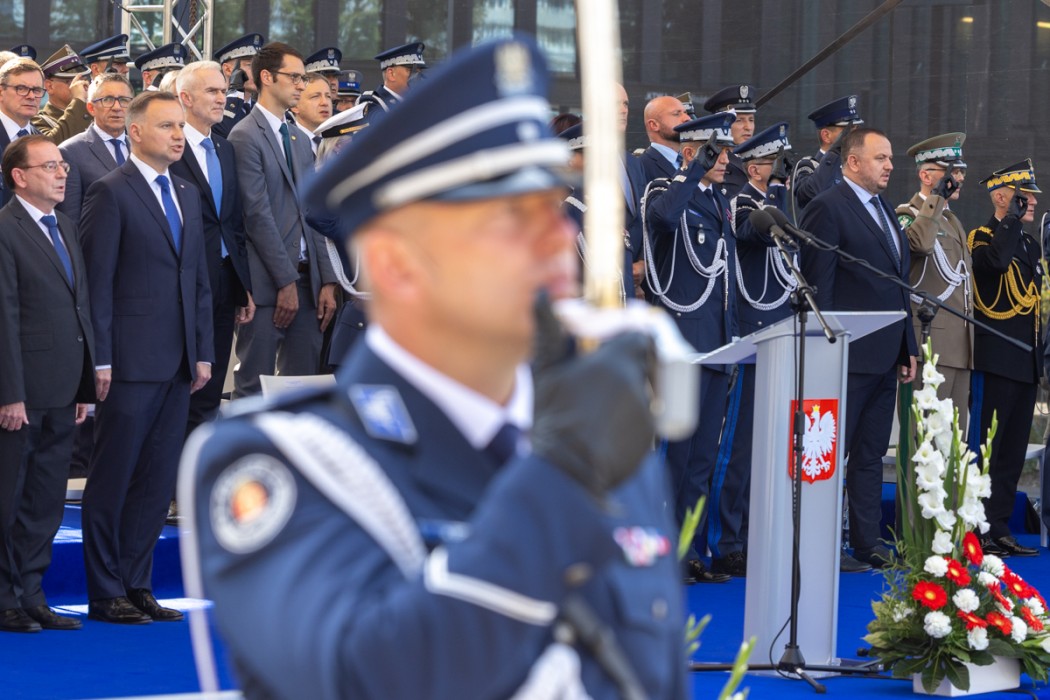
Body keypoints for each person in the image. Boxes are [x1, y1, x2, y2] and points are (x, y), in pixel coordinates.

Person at [182, 36, 687, 699]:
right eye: (510, 218)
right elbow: (360, 678)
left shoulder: (599, 435)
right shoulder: (288, 462)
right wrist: (561, 473)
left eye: (554, 205)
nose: (558, 236)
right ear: (396, 265)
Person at [79, 90, 213, 624]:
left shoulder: (187, 192)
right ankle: (105, 589)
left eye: (180, 126)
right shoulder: (109, 191)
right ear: (135, 132)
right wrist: (100, 359)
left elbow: (198, 280)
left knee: (157, 481)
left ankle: (137, 584)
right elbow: (96, 284)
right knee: (114, 476)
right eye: (166, 126)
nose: (179, 135)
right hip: (128, 362)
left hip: (179, 361)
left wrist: (203, 352)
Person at [799, 127, 918, 569]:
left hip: (885, 355)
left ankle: (867, 543)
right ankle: (822, 544)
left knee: (869, 455)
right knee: (830, 454)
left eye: (890, 158)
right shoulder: (828, 207)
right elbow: (819, 286)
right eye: (880, 158)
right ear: (852, 162)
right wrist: (826, 348)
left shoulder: (884, 208)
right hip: (845, 356)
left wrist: (907, 345)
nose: (890, 166)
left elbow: (898, 285)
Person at [0, 135, 94, 632]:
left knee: (45, 499)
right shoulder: (5, 230)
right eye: (50, 167)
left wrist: (83, 385)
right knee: (9, 497)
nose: (62, 174)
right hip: (21, 394)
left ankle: (31, 593)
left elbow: (80, 309)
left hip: (62, 387)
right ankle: (4, 598)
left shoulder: (65, 225)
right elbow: (4, 317)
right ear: (19, 176)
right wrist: (9, 392)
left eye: (63, 166)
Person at [641, 113, 738, 584]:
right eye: (717, 152)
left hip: (716, 343)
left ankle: (690, 551)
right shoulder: (664, 189)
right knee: (676, 458)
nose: (726, 161)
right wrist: (692, 169)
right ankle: (664, 553)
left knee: (701, 460)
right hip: (683, 343)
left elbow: (725, 276)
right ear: (690, 152)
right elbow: (662, 220)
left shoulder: (719, 200)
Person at [228, 42, 338, 397]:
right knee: (254, 390)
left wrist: (327, 280)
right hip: (268, 287)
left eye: (303, 78)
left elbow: (313, 212)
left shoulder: (296, 137)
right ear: (266, 77)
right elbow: (256, 215)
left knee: (302, 391)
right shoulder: (244, 135)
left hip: (309, 284)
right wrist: (285, 281)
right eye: (294, 77)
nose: (301, 85)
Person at [711, 122, 797, 578]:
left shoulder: (774, 203)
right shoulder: (743, 202)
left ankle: (751, 533)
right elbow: (753, 234)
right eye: (773, 162)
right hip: (753, 332)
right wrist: (775, 203)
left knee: (769, 445)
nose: (780, 169)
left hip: (778, 330)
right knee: (740, 445)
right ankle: (726, 540)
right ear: (755, 167)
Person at [172, 61, 254, 436]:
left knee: (212, 386)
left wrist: (243, 285)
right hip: (182, 285)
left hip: (223, 283)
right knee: (182, 386)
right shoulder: (169, 148)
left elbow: (233, 222)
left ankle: (194, 465)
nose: (221, 98)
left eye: (223, 91)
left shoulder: (224, 147)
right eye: (211, 91)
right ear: (185, 98)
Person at [967, 159, 1043, 558]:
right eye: (1023, 195)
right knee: (986, 448)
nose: (1032, 202)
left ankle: (998, 527)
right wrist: (1010, 220)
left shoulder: (1030, 245)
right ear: (1001, 197)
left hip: (1025, 362)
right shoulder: (981, 237)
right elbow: (994, 265)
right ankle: (976, 527)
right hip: (995, 359)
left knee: (1012, 452)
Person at [896, 133, 972, 427]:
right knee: (924, 436)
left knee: (954, 440)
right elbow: (920, 245)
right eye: (951, 171)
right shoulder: (908, 214)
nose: (959, 178)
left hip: (960, 348)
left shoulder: (952, 221)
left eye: (961, 171)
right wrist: (936, 199)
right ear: (926, 175)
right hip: (930, 346)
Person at [58, 73, 133, 225]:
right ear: (91, 108)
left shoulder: (142, 148)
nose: (117, 107)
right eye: (108, 100)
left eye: (124, 100)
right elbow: (70, 220)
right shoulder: (70, 152)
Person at [792, 95, 863, 216]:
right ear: (826, 135)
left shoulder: (855, 166)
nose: (855, 135)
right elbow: (809, 196)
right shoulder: (809, 166)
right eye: (848, 130)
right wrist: (834, 153)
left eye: (856, 128)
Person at [0, 58, 45, 205]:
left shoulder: (44, 142)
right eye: (21, 88)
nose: (31, 96)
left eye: (37, 90)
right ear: (1, 92)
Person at [703, 84, 757, 199]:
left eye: (751, 120)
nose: (748, 127)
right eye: (739, 120)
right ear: (722, 123)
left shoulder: (759, 158)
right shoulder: (710, 160)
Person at [33, 45, 91, 144]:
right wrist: (78, 100)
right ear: (50, 86)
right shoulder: (37, 120)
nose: (80, 86)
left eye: (84, 80)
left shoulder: (93, 113)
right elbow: (52, 143)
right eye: (71, 82)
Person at [212, 33, 264, 139]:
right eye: (250, 65)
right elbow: (227, 132)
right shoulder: (214, 105)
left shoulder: (260, 109)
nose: (257, 72)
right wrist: (236, 91)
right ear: (228, 69)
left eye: (259, 66)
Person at [356, 42, 426, 118]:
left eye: (419, 72)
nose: (417, 76)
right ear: (391, 74)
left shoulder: (418, 102)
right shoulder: (372, 102)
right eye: (410, 71)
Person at [638, 94, 691, 183]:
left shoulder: (693, 161)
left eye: (685, 113)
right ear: (654, 125)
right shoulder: (640, 168)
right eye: (676, 114)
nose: (687, 118)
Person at [289, 72, 332, 155]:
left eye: (328, 96)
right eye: (315, 96)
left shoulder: (338, 142)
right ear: (294, 106)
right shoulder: (286, 143)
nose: (325, 102)